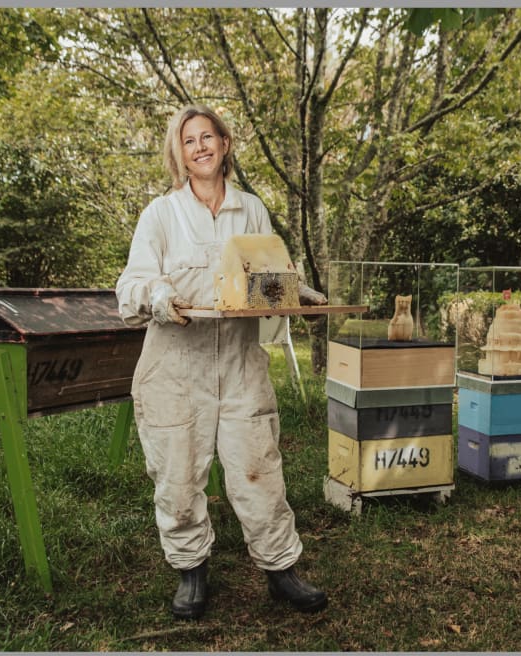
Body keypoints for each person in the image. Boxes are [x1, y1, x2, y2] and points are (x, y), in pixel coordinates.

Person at [116, 104, 328, 620]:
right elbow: (131, 285)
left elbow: (264, 279)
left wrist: (296, 292)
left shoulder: (251, 209)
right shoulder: (161, 214)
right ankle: (191, 571)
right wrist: (159, 296)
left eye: (207, 137)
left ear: (225, 143)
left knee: (260, 469)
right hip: (175, 367)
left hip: (239, 364)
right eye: (189, 141)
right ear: (180, 153)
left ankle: (281, 569)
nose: (200, 147)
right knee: (178, 477)